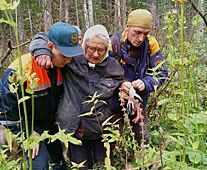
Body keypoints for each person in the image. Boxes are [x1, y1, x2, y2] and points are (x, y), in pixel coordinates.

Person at [29, 24, 125, 169]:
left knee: (103, 166)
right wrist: (42, 51)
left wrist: (126, 87)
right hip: (74, 129)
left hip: (101, 131)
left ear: (107, 50)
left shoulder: (114, 67)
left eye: (101, 50)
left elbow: (122, 84)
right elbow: (43, 37)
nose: (95, 54)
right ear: (83, 45)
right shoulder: (72, 59)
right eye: (91, 48)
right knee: (80, 167)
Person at [0, 21, 83, 170]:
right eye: (65, 55)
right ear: (50, 47)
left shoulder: (62, 66)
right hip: (28, 126)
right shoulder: (20, 70)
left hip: (51, 125)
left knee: (58, 164)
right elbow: (8, 114)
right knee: (39, 164)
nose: (69, 60)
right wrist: (28, 132)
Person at [109, 9, 168, 145]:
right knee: (113, 141)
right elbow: (103, 75)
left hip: (139, 101)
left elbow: (162, 72)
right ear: (128, 27)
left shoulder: (151, 44)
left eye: (145, 33)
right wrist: (121, 84)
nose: (141, 38)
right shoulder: (113, 44)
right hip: (115, 102)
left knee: (143, 140)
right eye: (137, 32)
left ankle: (144, 162)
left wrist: (145, 83)